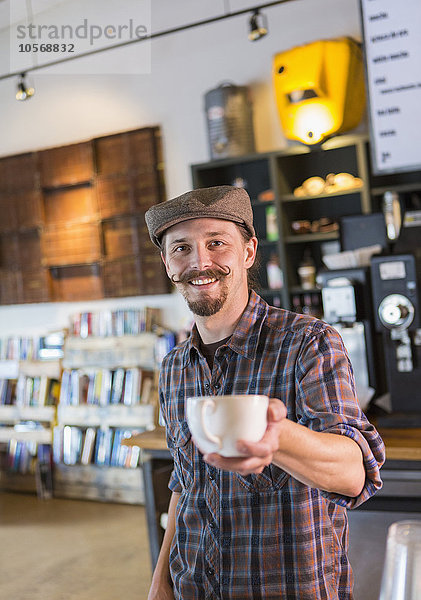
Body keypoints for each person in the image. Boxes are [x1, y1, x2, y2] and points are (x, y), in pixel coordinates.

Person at [144, 185, 385, 600]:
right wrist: (160, 580)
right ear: (168, 263)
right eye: (181, 248)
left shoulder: (308, 343)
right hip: (195, 588)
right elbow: (185, 484)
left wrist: (278, 438)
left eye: (216, 243)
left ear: (249, 252)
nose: (200, 261)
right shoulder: (173, 368)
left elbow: (353, 474)